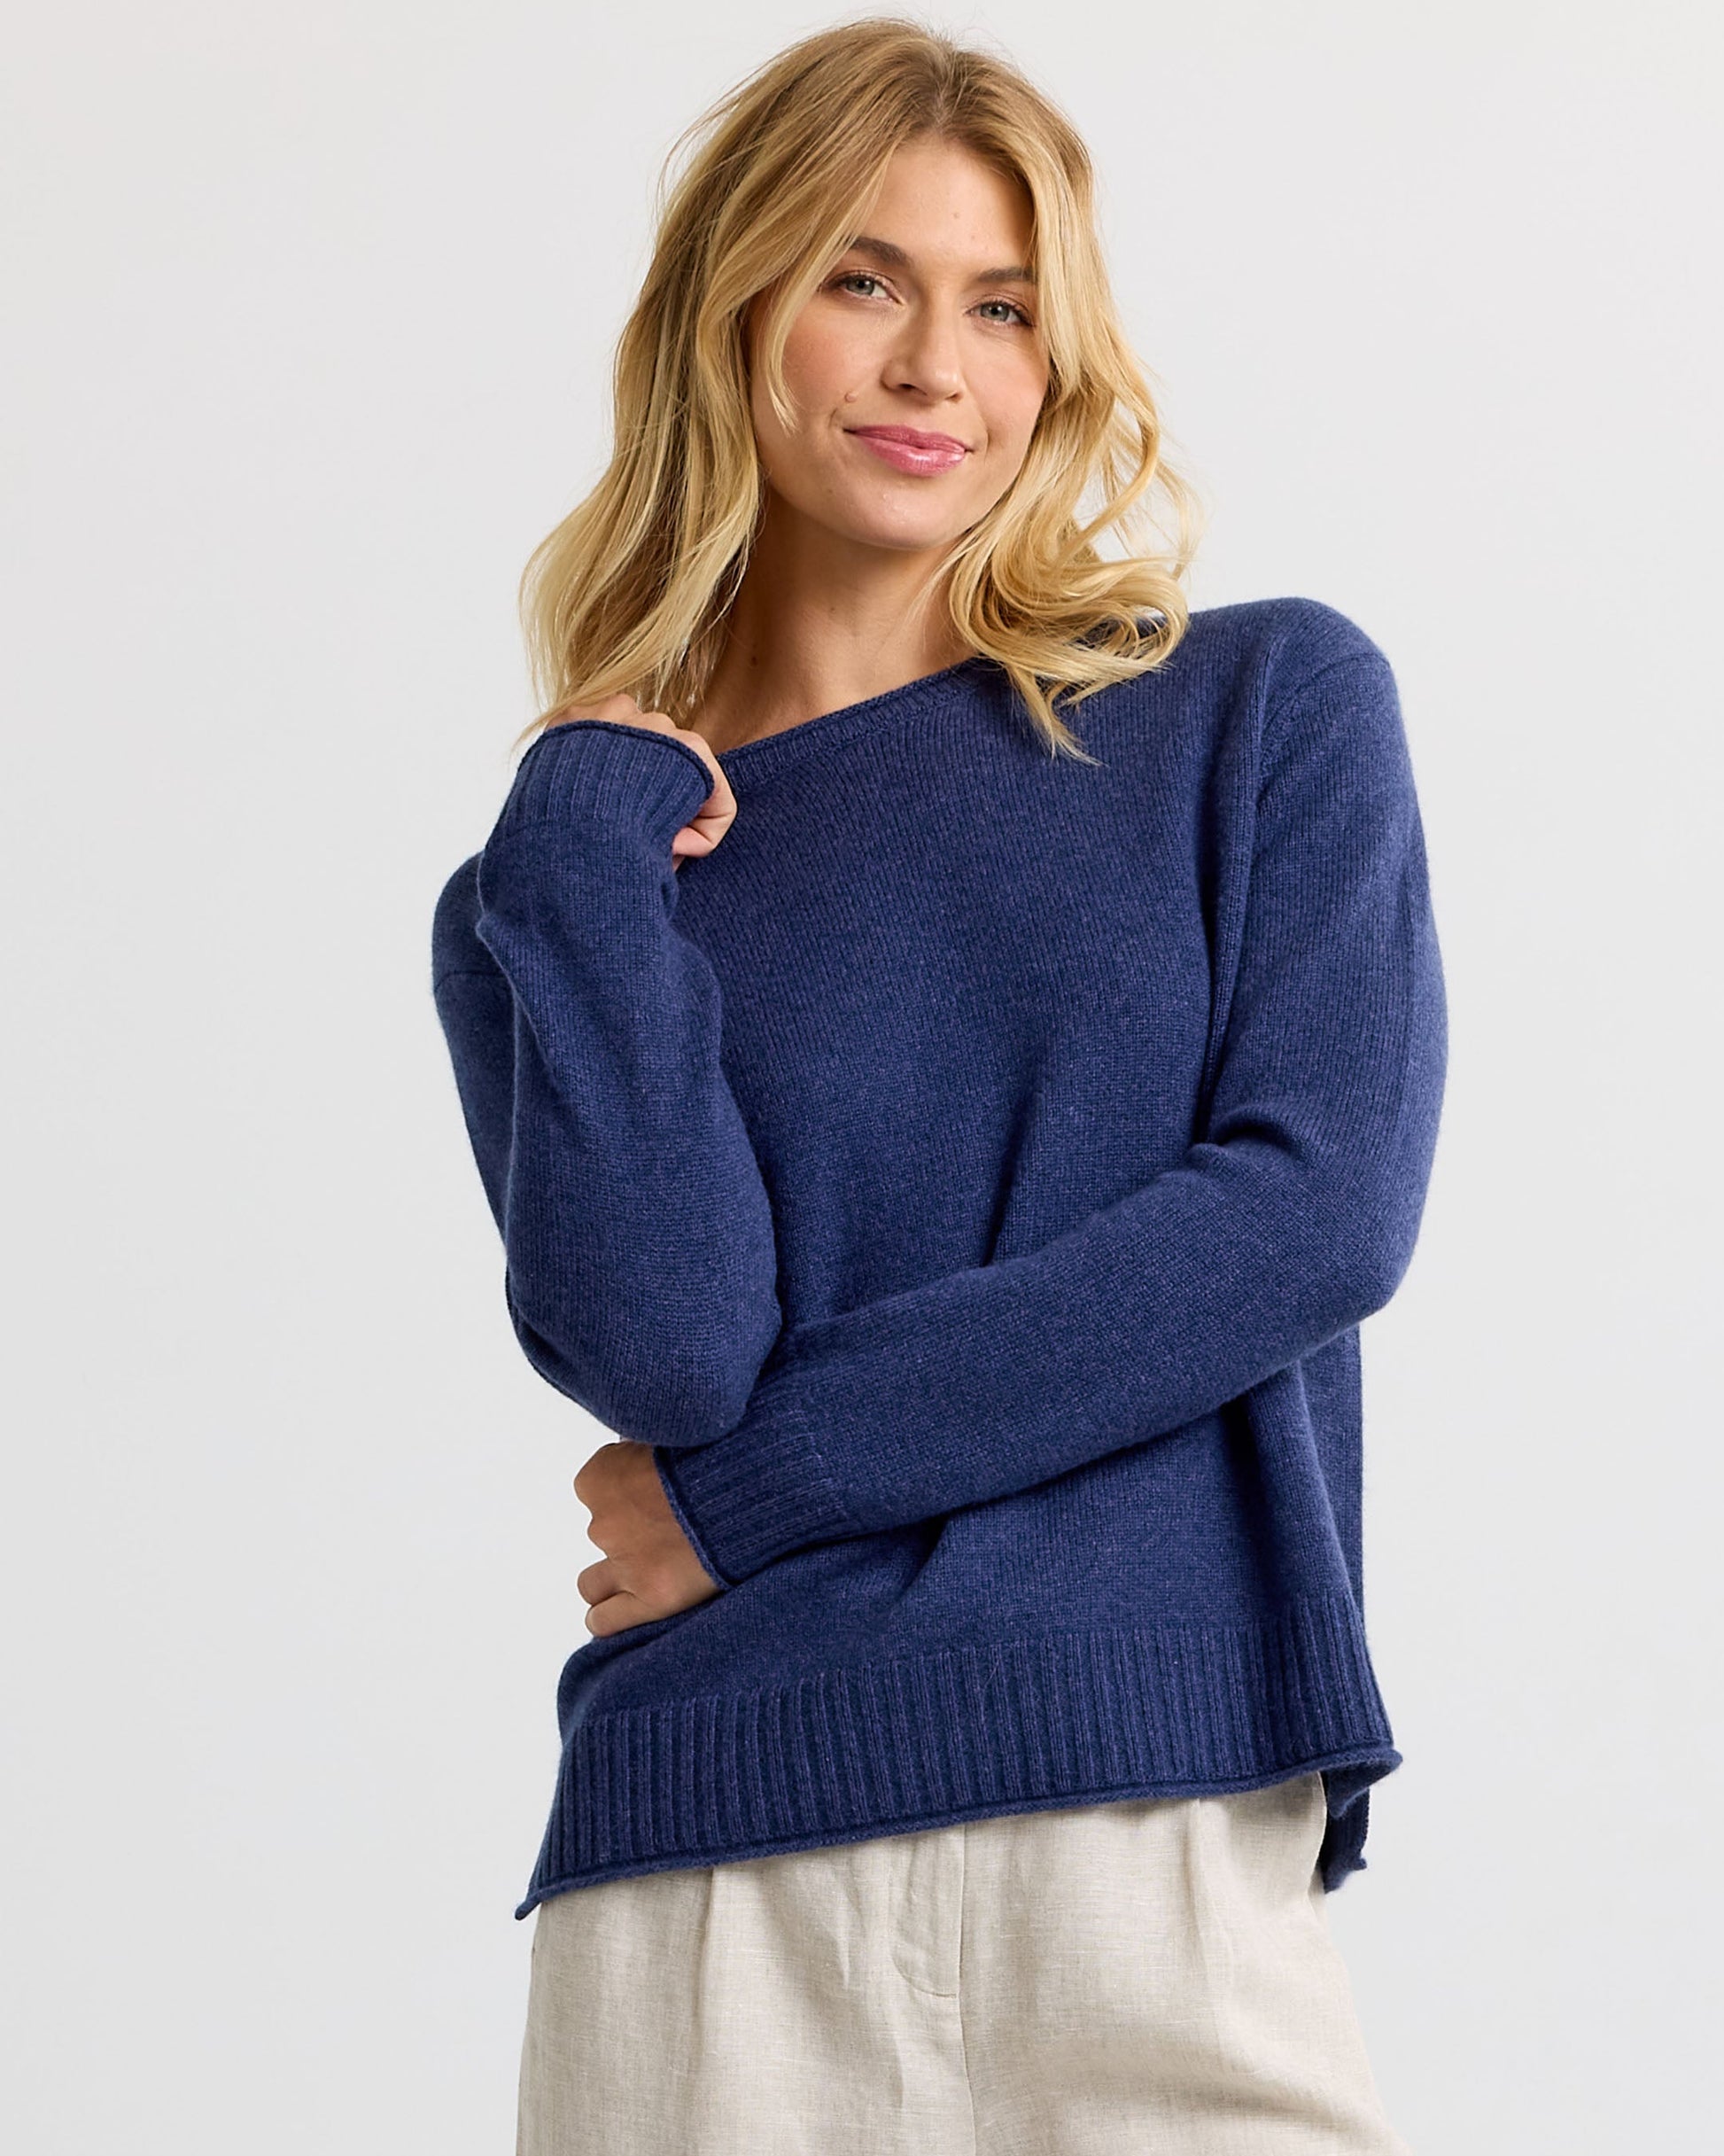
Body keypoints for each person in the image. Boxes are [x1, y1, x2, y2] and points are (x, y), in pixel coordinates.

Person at [430, 17, 1446, 2153]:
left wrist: (749, 1495)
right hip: (704, 1886)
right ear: (733, 315)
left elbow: (1310, 1210)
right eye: (862, 280)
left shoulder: (1255, 711)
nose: (932, 368)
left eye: (1001, 306)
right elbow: (664, 1346)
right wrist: (579, 835)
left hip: (1148, 1849)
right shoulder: (566, 887)